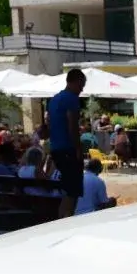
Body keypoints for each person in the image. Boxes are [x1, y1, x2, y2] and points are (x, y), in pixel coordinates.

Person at [47, 69, 86, 217]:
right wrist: (78, 150)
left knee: (66, 192)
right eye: (81, 85)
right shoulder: (72, 99)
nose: (82, 89)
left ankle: (62, 218)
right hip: (68, 150)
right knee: (72, 193)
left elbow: (49, 124)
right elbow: (72, 126)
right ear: (74, 82)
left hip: (56, 149)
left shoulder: (54, 99)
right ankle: (68, 220)